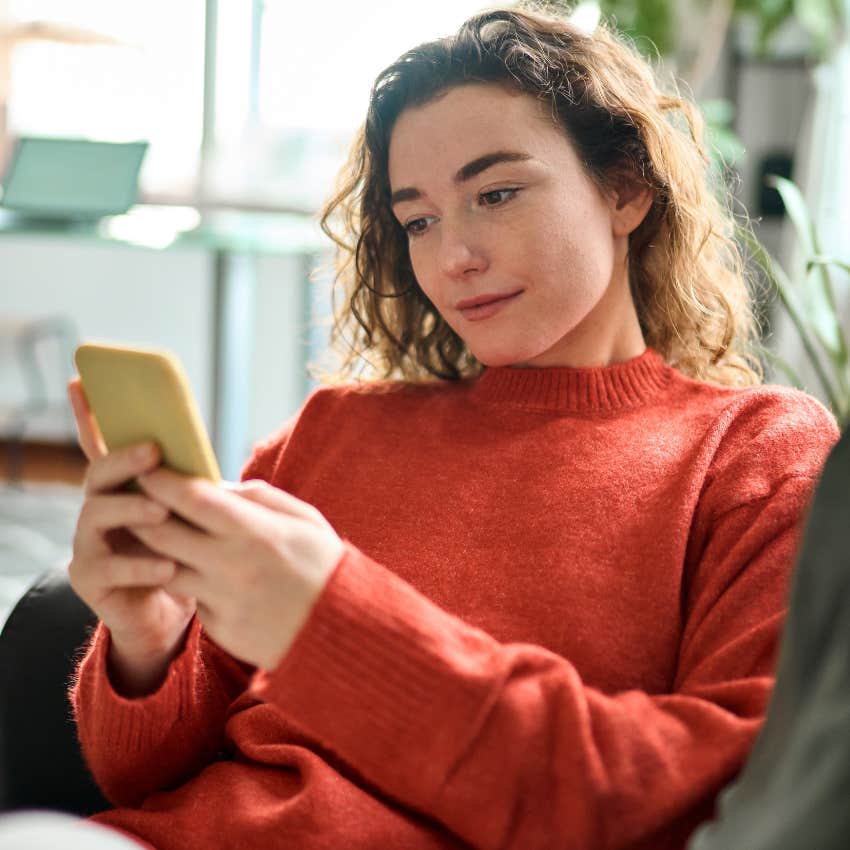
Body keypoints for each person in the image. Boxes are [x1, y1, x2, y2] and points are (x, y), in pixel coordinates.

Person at [0, 5, 841, 850]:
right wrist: (146, 643)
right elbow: (138, 776)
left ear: (625, 188)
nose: (453, 258)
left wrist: (334, 627)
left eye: (496, 195)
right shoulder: (331, 433)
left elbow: (706, 802)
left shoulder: (753, 455)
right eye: (419, 221)